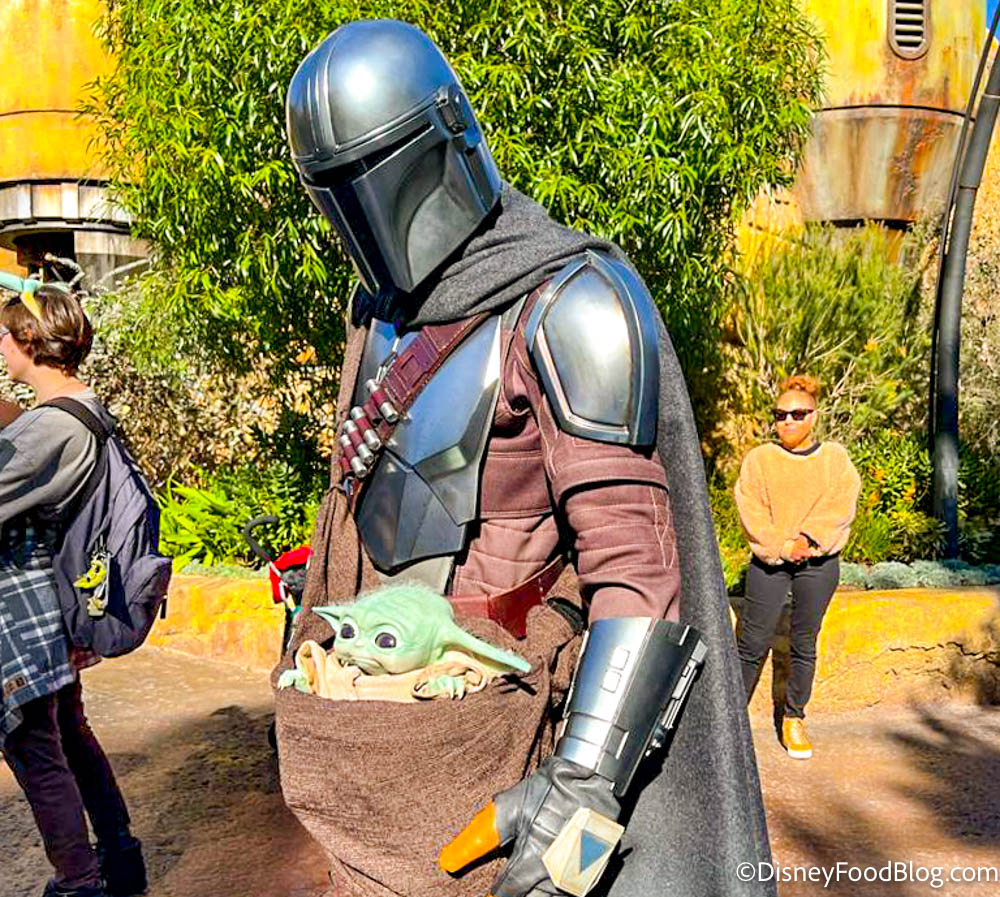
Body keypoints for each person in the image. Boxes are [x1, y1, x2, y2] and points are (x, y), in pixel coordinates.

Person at [277, 19, 774, 897]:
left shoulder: (574, 304)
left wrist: (582, 789)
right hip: (384, 723)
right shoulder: (379, 312)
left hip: (510, 719)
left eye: (373, 171)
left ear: (446, 137)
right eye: (333, 185)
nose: (360, 208)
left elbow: (635, 568)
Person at [0, 285, 146, 897]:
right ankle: (119, 857)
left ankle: (79, 882)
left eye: (5, 334)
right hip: (53, 601)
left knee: (33, 745)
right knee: (69, 734)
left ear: (29, 342)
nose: (0, 345)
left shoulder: (47, 427)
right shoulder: (81, 407)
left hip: (24, 606)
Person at [734, 374, 861, 760]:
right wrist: (783, 547)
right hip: (770, 563)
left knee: (804, 643)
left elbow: (841, 504)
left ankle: (794, 718)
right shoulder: (760, 460)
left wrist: (807, 539)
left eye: (797, 414)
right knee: (751, 643)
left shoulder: (834, 459)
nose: (788, 421)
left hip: (818, 564)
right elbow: (751, 511)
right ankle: (730, 720)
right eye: (780, 415)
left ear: (814, 416)